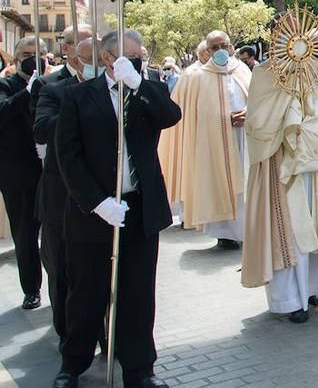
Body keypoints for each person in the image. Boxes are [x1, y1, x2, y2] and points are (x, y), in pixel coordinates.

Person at [55, 29, 182, 388]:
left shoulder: (146, 88)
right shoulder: (79, 97)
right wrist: (97, 203)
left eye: (140, 54)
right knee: (87, 292)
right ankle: (73, 364)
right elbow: (69, 156)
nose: (138, 58)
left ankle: (139, 369)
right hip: (95, 211)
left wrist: (139, 83)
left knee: (138, 293)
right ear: (109, 58)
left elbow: (171, 115)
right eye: (131, 55)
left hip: (140, 208)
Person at [241, 26, 318, 324]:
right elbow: (258, 121)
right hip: (282, 166)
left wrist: (312, 132)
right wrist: (288, 114)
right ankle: (288, 299)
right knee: (289, 234)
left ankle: (312, 290)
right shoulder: (266, 74)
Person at [159, 30, 251, 249]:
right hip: (213, 143)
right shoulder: (198, 77)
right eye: (215, 47)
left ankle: (249, 230)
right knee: (219, 182)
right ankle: (225, 234)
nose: (220, 51)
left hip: (245, 139)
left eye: (223, 46)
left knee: (246, 184)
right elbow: (190, 115)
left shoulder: (243, 70)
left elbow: (258, 98)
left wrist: (249, 113)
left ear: (230, 47)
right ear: (207, 52)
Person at [31, 26, 93, 343]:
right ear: (69, 50)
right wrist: (79, 111)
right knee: (62, 272)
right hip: (61, 196)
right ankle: (67, 336)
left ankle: (102, 333)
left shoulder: (111, 84)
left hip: (100, 196)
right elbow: (41, 129)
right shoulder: (49, 85)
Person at [1, 36, 47, 311]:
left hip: (49, 172)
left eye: (37, 53)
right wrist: (27, 91)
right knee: (25, 235)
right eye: (27, 54)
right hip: (18, 173)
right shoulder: (5, 85)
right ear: (17, 58)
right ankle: (31, 289)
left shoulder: (50, 85)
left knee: (56, 235)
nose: (32, 58)